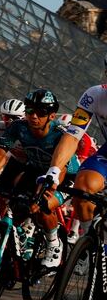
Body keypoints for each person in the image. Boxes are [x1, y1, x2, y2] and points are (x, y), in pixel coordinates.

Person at [0, 89, 76, 271]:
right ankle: (21, 245)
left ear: (51, 116)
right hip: (35, 170)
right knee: (16, 210)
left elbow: (63, 168)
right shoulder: (18, 127)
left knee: (42, 207)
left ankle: (53, 243)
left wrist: (45, 191)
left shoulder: (60, 134)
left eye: (40, 112)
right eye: (29, 111)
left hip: (63, 176)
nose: (33, 116)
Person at [45, 58, 107, 246]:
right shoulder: (95, 94)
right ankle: (92, 244)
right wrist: (54, 171)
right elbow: (72, 136)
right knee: (81, 189)